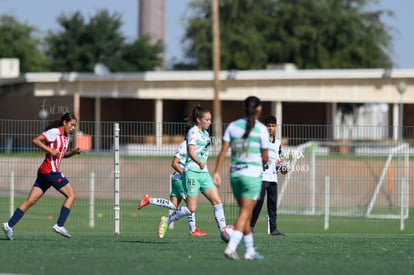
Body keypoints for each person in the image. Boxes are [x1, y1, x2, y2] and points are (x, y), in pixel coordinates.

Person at [2, 112, 81, 240]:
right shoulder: (55, 132)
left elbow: (62, 154)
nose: (73, 128)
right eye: (71, 125)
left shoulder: (66, 137)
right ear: (65, 123)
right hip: (51, 171)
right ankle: (59, 225)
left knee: (31, 201)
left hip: (45, 172)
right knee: (71, 195)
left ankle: (8, 225)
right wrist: (50, 150)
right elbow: (36, 140)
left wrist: (73, 152)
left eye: (74, 126)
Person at [157, 105, 227, 239]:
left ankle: (224, 231)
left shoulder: (206, 134)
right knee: (191, 208)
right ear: (199, 120)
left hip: (204, 173)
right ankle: (166, 221)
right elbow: (191, 152)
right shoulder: (193, 132)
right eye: (207, 120)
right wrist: (199, 162)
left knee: (217, 201)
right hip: (192, 172)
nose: (209, 122)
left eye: (210, 120)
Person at [213, 96, 269, 260]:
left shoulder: (232, 126)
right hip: (252, 175)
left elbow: (223, 151)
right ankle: (231, 247)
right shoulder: (262, 129)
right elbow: (265, 157)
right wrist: (263, 161)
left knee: (246, 213)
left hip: (235, 175)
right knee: (245, 213)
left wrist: (216, 172)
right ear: (259, 109)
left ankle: (250, 250)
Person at [137, 132, 206, 237]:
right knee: (190, 205)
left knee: (173, 205)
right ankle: (192, 230)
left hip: (176, 179)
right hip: (180, 180)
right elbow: (174, 163)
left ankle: (149, 200)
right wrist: (186, 175)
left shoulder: (190, 147)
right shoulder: (184, 146)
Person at [250, 115, 287, 236]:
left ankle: (273, 229)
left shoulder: (277, 143)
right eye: (268, 126)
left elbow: (279, 160)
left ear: (275, 127)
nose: (270, 128)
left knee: (272, 204)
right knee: (258, 202)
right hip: (261, 177)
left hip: (273, 178)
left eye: (273, 126)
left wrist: (282, 169)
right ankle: (250, 226)